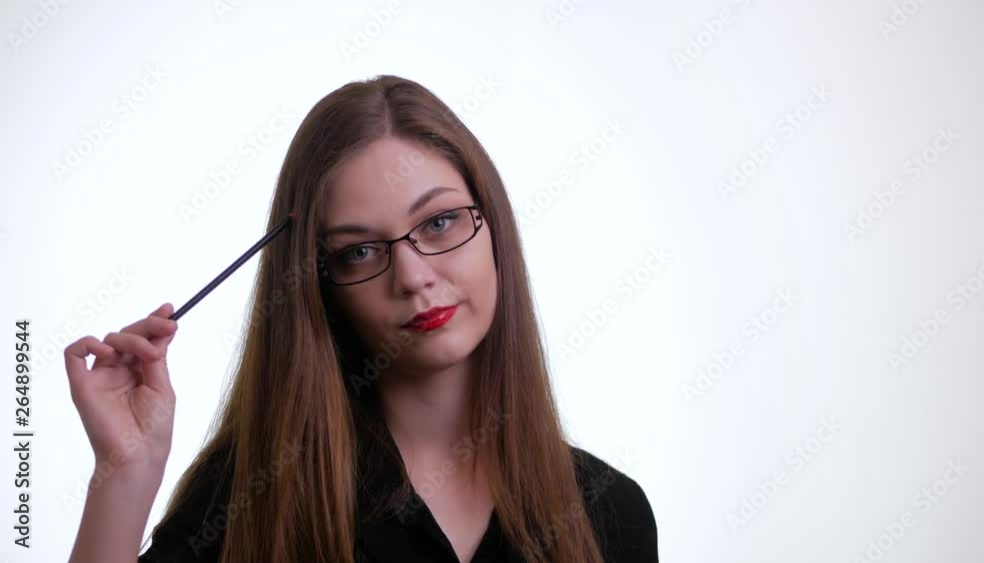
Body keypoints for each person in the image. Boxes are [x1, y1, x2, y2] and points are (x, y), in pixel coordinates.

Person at [65, 75, 658, 563]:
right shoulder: (253, 498)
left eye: (440, 222)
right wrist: (124, 475)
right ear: (318, 288)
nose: (413, 276)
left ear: (493, 224)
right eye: (361, 251)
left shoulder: (610, 513)